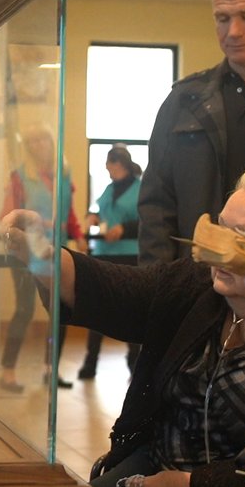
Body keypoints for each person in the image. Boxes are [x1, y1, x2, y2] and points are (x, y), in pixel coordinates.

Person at [1, 166, 245, 487]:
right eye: (220, 228)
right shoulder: (194, 286)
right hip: (156, 462)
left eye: (241, 238)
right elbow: (121, 291)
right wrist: (43, 255)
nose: (218, 249)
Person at [139, 0, 245, 265]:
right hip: (195, 283)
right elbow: (156, 208)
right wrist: (160, 290)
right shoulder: (183, 102)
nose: (233, 31)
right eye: (222, 18)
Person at [0, 123, 87, 393]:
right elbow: (7, 216)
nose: (38, 146)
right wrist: (36, 224)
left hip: (53, 250)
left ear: (51, 142)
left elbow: (68, 214)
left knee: (58, 310)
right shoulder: (20, 176)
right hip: (25, 252)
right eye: (32, 142)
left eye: (42, 140)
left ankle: (51, 369)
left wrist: (78, 234)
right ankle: (8, 372)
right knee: (24, 310)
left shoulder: (63, 173)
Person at [79, 145, 142, 380]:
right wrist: (92, 216)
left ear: (120, 164)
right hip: (104, 252)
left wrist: (124, 228)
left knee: (130, 307)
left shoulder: (140, 188)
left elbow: (146, 220)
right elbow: (98, 209)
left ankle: (134, 360)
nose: (107, 170)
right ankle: (90, 362)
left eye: (110, 166)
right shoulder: (108, 189)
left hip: (128, 253)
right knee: (98, 307)